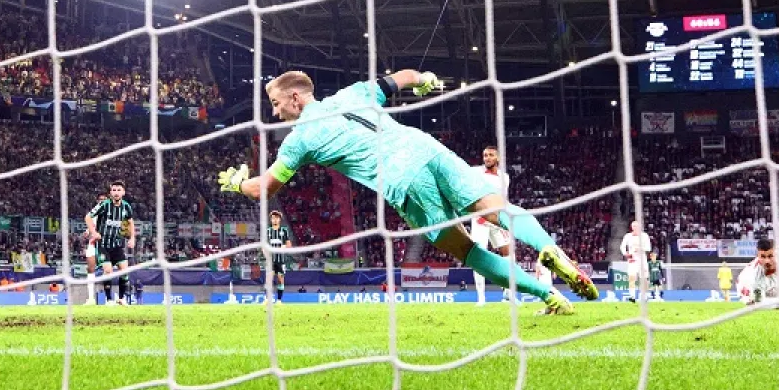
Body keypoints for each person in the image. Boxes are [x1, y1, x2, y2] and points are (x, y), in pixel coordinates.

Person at [217, 69, 596, 315]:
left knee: (463, 247)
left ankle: (549, 296)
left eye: (277, 103)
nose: (276, 111)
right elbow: (403, 77)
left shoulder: (299, 140)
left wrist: (236, 182)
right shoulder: (352, 93)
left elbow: (264, 188)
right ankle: (550, 249)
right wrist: (428, 79)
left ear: (296, 98)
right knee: (496, 206)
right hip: (427, 146)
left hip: (402, 178)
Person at [468, 146, 513, 305]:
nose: (487, 158)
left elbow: (500, 200)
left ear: (498, 158)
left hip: (496, 219)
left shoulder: (505, 178)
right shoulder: (475, 172)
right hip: (480, 220)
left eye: (490, 155)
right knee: (479, 256)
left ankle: (509, 294)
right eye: (485, 155)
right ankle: (481, 298)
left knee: (508, 253)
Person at [85, 180, 137, 306]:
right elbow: (88, 217)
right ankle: (108, 300)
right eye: (114, 190)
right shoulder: (104, 205)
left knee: (124, 271)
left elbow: (130, 222)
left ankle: (121, 298)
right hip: (103, 245)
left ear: (123, 192)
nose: (116, 192)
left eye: (119, 190)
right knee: (108, 271)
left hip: (117, 245)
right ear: (110, 192)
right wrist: (93, 232)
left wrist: (132, 238)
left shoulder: (126, 207)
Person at [620, 221, 654, 303]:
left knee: (644, 278)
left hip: (642, 259)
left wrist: (641, 249)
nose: (635, 227)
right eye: (634, 226)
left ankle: (644, 296)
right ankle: (632, 296)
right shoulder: (628, 236)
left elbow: (648, 248)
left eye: (637, 226)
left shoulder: (644, 236)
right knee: (632, 278)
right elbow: (622, 246)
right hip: (632, 259)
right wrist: (626, 254)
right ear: (631, 227)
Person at [265, 210, 292, 299]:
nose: (275, 220)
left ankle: (279, 300)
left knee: (280, 279)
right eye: (273, 218)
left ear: (280, 219)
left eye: (277, 218)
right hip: (271, 260)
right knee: (269, 279)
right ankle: (267, 299)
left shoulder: (284, 230)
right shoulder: (268, 231)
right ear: (271, 220)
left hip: (281, 260)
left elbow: (289, 244)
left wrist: (284, 247)